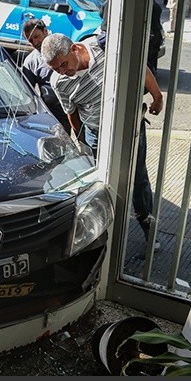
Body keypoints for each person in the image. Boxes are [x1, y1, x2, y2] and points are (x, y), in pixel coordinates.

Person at [41, 32, 163, 246]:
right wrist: (83, 143)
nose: (63, 72)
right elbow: (72, 114)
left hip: (128, 127)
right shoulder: (59, 82)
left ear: (74, 49)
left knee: (138, 178)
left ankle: (150, 235)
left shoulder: (104, 50)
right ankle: (105, 234)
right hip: (96, 134)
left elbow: (140, 70)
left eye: (63, 64)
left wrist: (157, 96)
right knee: (103, 183)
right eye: (56, 69)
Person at [21, 19, 72, 134]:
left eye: (37, 36)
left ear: (45, 31)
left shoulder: (64, 46)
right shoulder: (30, 62)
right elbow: (27, 92)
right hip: (54, 114)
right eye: (30, 40)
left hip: (77, 106)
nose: (35, 42)